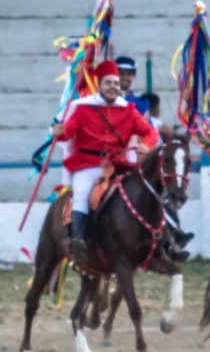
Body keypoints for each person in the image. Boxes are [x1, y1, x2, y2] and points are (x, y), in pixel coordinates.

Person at [51, 60, 159, 261]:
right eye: (108, 83)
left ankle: (164, 240)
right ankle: (78, 239)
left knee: (149, 189)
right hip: (88, 163)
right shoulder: (83, 110)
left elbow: (150, 132)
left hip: (118, 165)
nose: (113, 87)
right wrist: (59, 132)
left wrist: (147, 145)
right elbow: (68, 133)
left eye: (116, 84)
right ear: (99, 85)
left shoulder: (129, 110)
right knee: (82, 193)